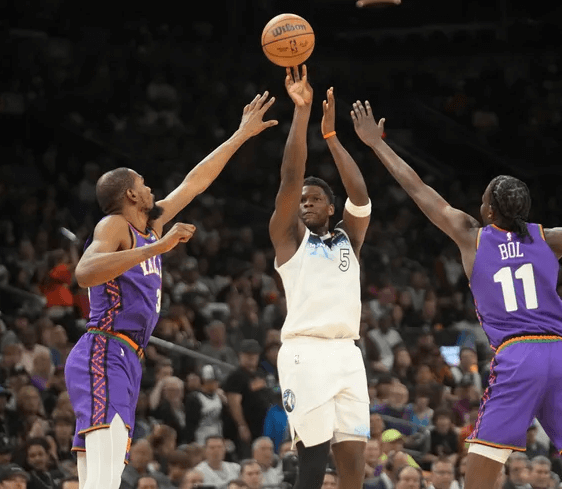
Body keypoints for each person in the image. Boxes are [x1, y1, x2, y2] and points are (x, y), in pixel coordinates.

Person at [350, 99, 562, 489]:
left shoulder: (472, 237)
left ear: (491, 213)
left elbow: (418, 189)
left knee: (484, 463)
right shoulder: (552, 237)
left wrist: (377, 144)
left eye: (482, 201)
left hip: (518, 353)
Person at [63, 91, 277, 489]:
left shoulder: (150, 225)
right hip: (103, 349)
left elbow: (194, 183)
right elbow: (85, 272)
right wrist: (158, 248)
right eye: (143, 184)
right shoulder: (115, 226)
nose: (151, 189)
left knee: (100, 477)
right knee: (105, 478)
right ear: (130, 194)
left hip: (126, 356)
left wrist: (240, 135)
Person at [269, 66, 372, 489]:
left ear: (331, 208)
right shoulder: (289, 241)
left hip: (348, 354)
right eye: (303, 201)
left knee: (353, 468)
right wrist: (302, 112)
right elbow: (291, 176)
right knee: (311, 467)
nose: (306, 203)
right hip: (305, 354)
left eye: (316, 199)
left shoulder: (349, 238)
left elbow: (361, 195)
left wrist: (332, 137)